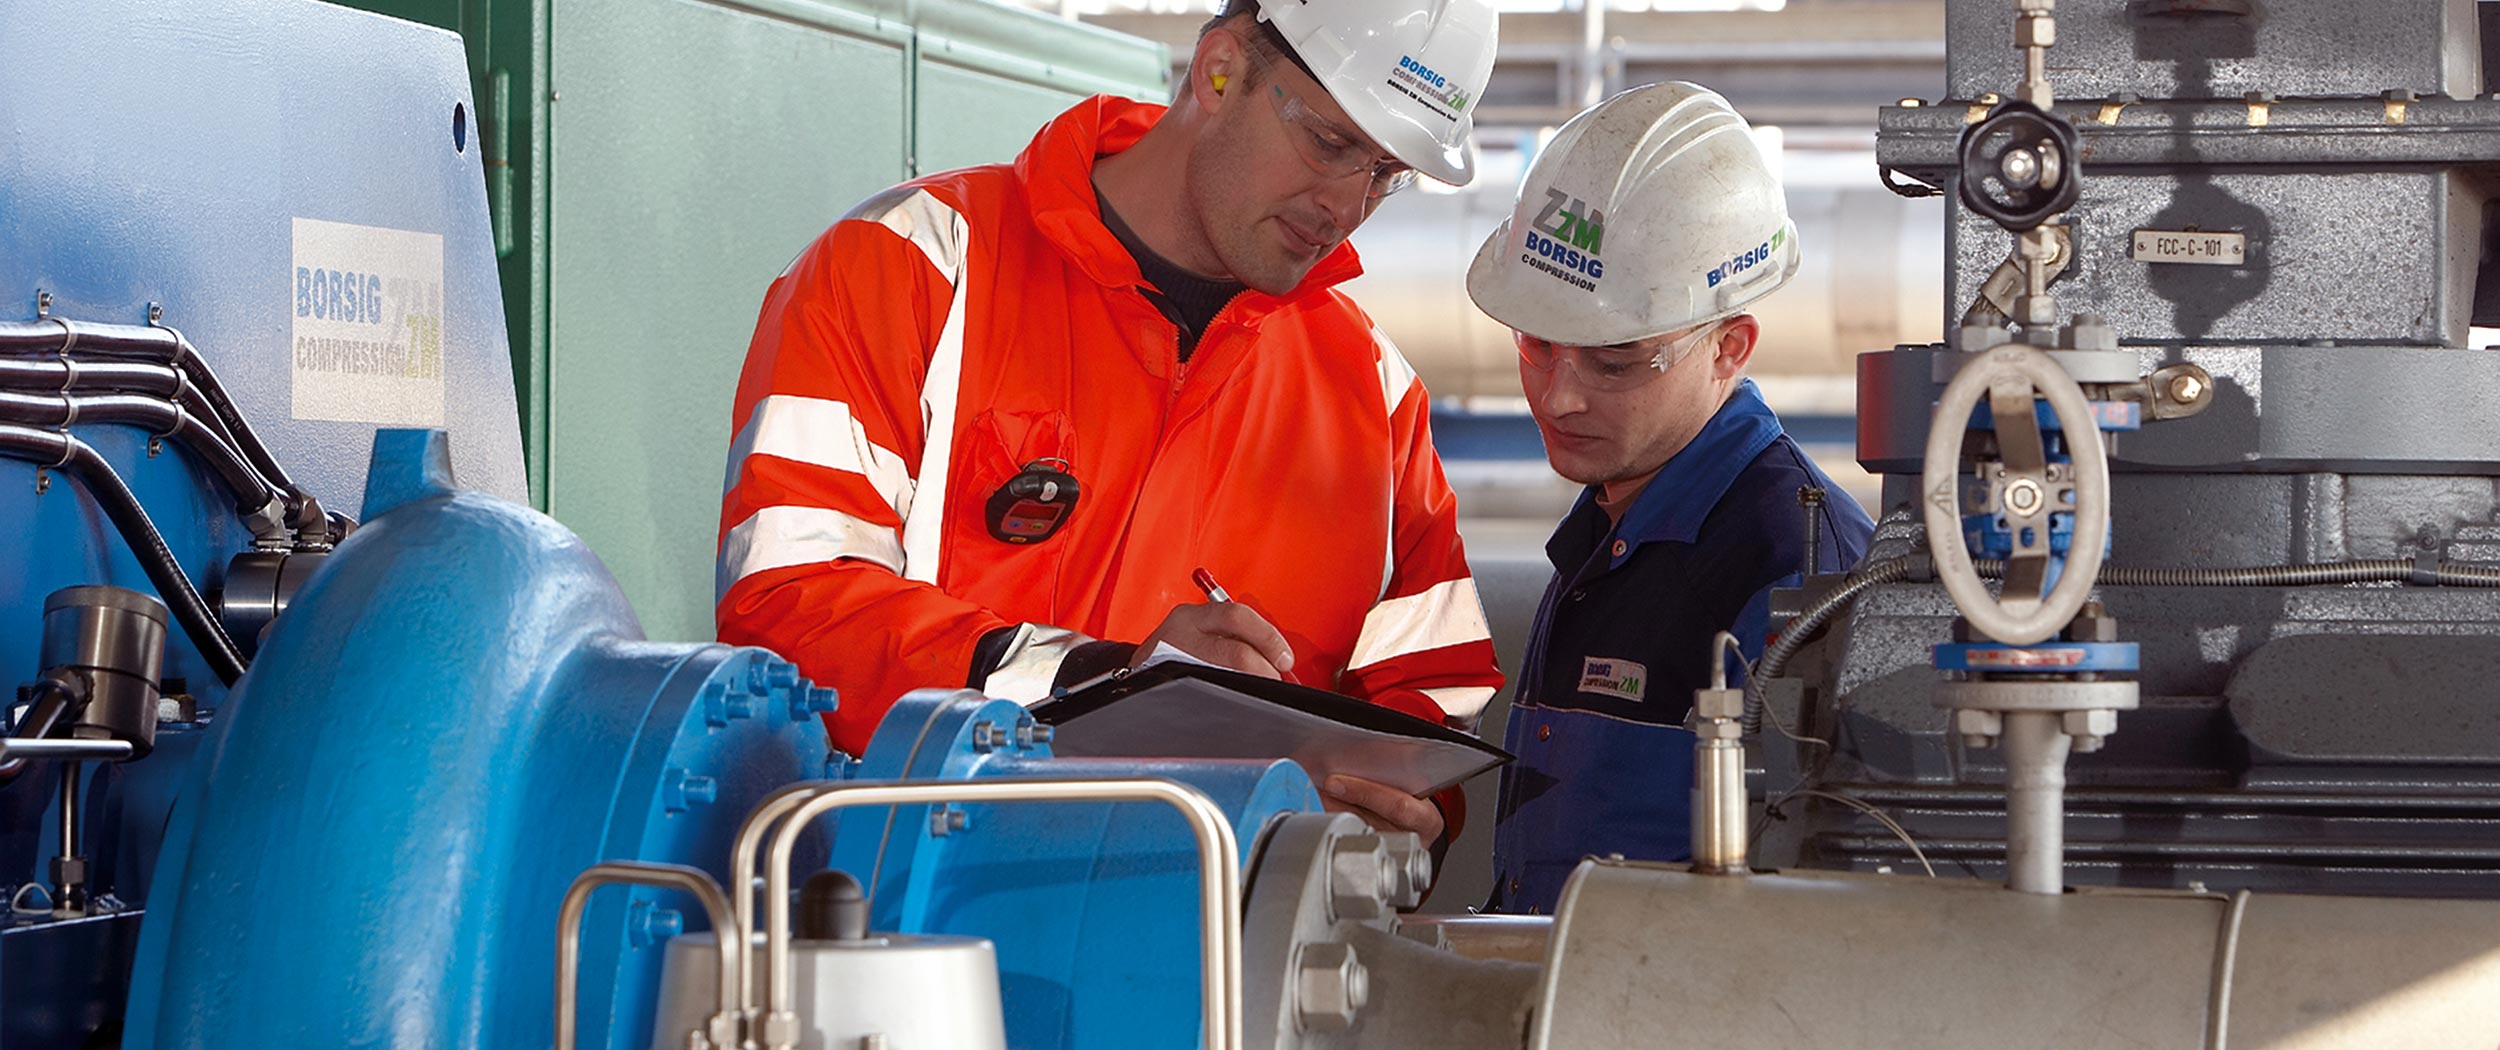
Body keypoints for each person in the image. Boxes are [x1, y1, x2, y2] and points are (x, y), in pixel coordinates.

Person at [715, 0, 1504, 846]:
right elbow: (789, 605)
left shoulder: (1374, 397)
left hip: (1225, 958)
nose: (1347, 205)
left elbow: (1436, 706)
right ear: (1220, 69)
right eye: (1331, 141)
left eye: (1385, 174)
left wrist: (1388, 818)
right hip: (913, 931)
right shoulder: (910, 268)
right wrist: (1100, 684)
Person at [1463, 82, 1876, 912]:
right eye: (1538, 344)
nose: (1558, 396)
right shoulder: (1609, 523)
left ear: (1730, 347)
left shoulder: (1801, 568)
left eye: (1615, 362)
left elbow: (1819, 913)